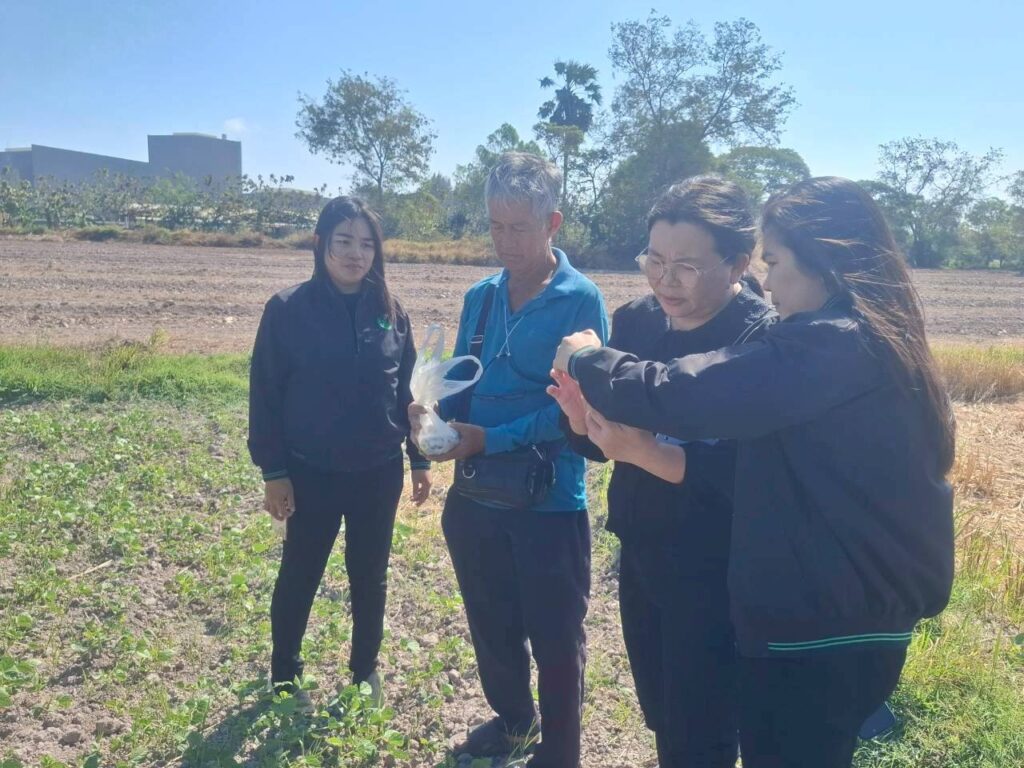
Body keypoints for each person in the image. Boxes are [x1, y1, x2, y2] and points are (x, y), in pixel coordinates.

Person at [552, 176, 955, 768]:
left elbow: (688, 395)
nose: (769, 281)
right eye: (654, 262)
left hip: (818, 619)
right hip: (822, 607)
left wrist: (591, 359)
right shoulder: (857, 338)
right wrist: (601, 429)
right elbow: (770, 463)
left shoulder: (827, 345)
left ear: (823, 260)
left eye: (775, 262)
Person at [548, 176, 775, 768]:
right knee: (662, 709)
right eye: (654, 260)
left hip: (716, 567)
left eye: (687, 267)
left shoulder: (760, 339)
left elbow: (750, 476)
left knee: (703, 725)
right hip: (643, 547)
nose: (665, 280)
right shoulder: (638, 322)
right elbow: (604, 445)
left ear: (738, 264)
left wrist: (645, 451)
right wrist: (581, 420)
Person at [411, 152, 608, 768]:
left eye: (519, 227)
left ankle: (561, 752)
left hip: (549, 501)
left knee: (556, 636)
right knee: (490, 623)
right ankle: (515, 721)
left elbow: (574, 410)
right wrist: (432, 418)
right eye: (496, 226)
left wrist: (488, 440)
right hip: (475, 497)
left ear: (553, 223)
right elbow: (461, 387)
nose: (505, 241)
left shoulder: (581, 300)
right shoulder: (481, 297)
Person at [248, 196, 432, 709]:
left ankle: (364, 672)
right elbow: (265, 395)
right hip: (311, 473)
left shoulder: (392, 313)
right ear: (320, 243)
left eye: (367, 244)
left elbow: (408, 393)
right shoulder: (287, 311)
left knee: (370, 575)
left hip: (378, 472)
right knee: (300, 573)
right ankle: (285, 675)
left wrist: (418, 459)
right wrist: (274, 472)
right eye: (344, 241)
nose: (356, 254)